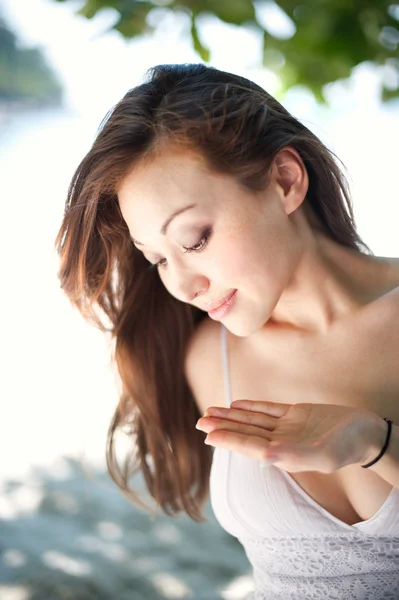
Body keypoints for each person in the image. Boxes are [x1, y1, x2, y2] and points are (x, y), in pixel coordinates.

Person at [54, 63, 399, 599]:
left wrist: (377, 445)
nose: (183, 284)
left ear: (285, 180)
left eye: (193, 240)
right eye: (157, 259)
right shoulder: (207, 356)